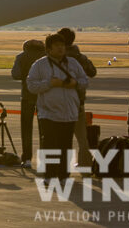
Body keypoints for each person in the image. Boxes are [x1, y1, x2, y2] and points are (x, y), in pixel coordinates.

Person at [27, 33, 88, 179]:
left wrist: (76, 83)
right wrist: (49, 83)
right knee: (50, 145)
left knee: (65, 145)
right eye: (57, 46)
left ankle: (63, 174)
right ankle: (49, 174)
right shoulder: (40, 65)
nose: (61, 48)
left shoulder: (72, 63)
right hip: (49, 112)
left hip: (70, 112)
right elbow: (31, 86)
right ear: (48, 49)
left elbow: (85, 80)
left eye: (62, 45)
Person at [58, 28, 97, 168]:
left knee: (59, 136)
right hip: (77, 101)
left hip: (58, 101)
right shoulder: (79, 57)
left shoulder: (55, 58)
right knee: (82, 136)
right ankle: (85, 163)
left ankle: (59, 165)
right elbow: (92, 72)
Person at [11, 38, 46, 167]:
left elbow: (16, 74)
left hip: (27, 96)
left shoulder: (21, 57)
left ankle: (27, 159)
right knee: (44, 129)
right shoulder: (46, 57)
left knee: (26, 128)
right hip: (44, 96)